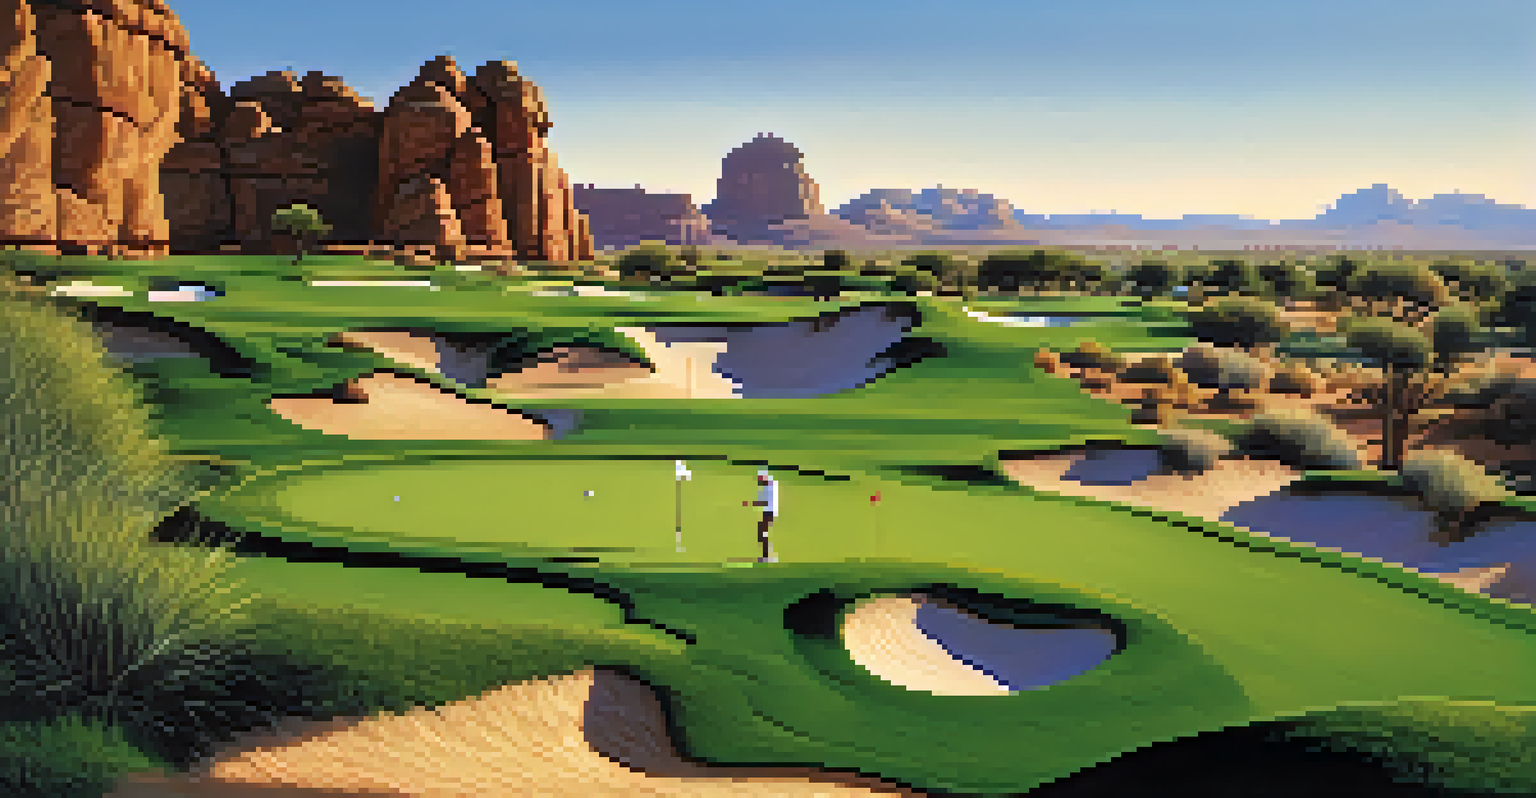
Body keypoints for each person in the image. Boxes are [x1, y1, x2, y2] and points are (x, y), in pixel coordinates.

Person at [742, 469, 779, 563]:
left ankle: (768, 556)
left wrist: (750, 503)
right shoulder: (770, 485)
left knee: (763, 534)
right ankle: (766, 555)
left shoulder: (769, 486)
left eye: (760, 479)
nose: (759, 482)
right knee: (762, 533)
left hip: (769, 512)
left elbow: (765, 502)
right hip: (768, 511)